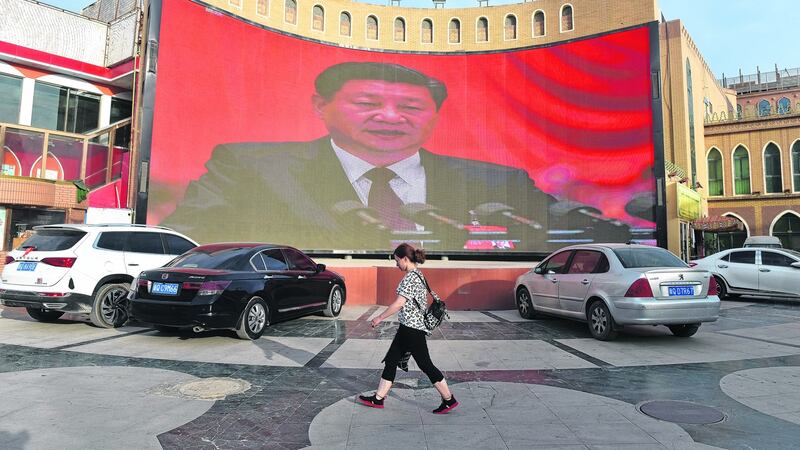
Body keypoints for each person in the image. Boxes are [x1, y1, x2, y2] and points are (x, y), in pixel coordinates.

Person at [162, 61, 627, 251]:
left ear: (433, 116)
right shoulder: (250, 167)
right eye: (367, 103)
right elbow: (191, 237)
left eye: (410, 107)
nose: (390, 117)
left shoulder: (496, 181)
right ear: (320, 107)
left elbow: (559, 229)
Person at [358, 243, 458, 414]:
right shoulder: (418, 274)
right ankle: (379, 398)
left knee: (425, 364)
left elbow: (398, 303)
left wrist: (379, 317)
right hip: (408, 327)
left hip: (412, 329)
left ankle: (448, 399)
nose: (396, 264)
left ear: (405, 259)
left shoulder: (410, 278)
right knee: (391, 360)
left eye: (397, 261)